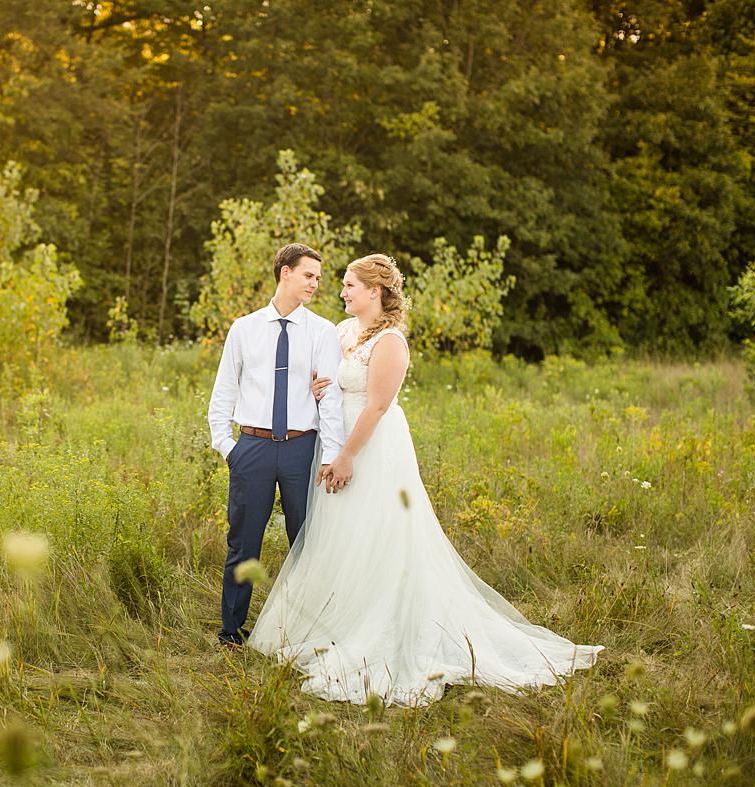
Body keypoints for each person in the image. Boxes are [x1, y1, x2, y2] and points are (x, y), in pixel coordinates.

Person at [246, 253, 604, 705]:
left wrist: (348, 457)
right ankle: (338, 621)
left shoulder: (391, 341)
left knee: (382, 535)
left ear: (375, 291)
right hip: (338, 441)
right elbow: (332, 381)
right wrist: (323, 389)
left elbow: (377, 405)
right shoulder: (342, 331)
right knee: (344, 537)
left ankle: (387, 627)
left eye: (350, 285)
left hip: (372, 448)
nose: (342, 292)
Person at [207, 243, 348, 648]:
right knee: (243, 543)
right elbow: (223, 393)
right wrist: (228, 446)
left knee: (306, 542)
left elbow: (331, 400)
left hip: (303, 450)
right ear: (285, 273)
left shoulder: (323, 331)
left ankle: (308, 633)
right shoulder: (244, 328)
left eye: (319, 278)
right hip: (252, 447)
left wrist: (333, 454)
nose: (316, 284)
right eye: (309, 275)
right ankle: (230, 632)